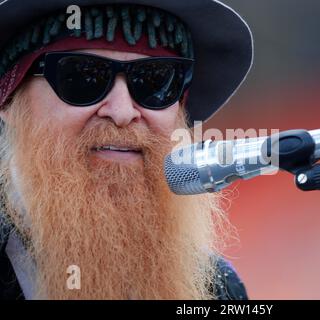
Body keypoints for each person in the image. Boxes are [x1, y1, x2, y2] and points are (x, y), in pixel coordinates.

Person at [0, 0, 253, 300]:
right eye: (83, 77)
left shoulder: (216, 289)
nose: (122, 112)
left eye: (155, 81)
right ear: (10, 100)